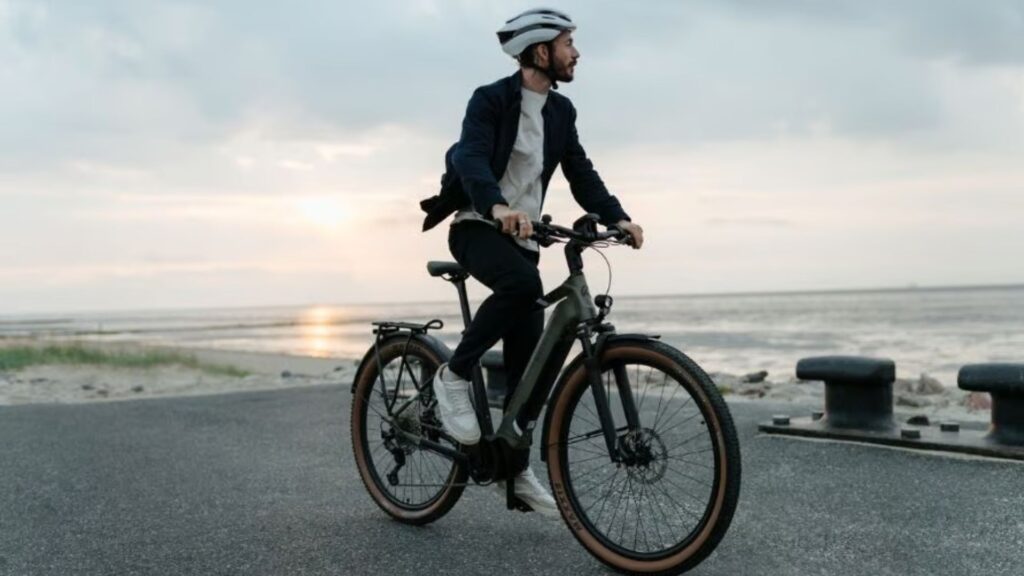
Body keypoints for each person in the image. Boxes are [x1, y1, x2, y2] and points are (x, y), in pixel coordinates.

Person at [425, 8, 645, 517]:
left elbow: (580, 172)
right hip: (476, 227)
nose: (577, 53)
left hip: (523, 237)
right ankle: (455, 375)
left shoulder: (560, 113)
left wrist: (619, 217)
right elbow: (470, 159)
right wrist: (496, 207)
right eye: (569, 43)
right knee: (522, 285)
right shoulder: (490, 101)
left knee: (532, 363)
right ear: (541, 52)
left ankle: (515, 463)